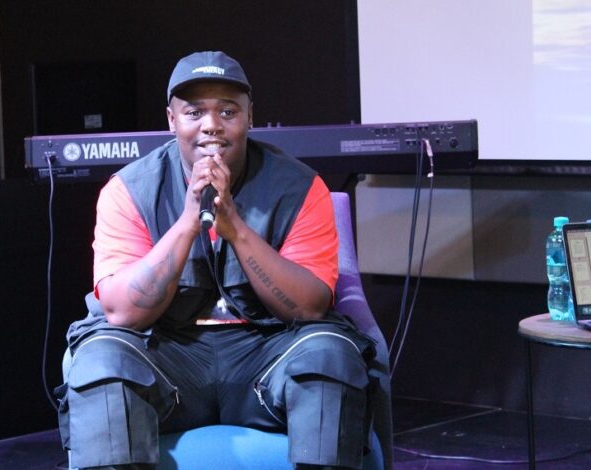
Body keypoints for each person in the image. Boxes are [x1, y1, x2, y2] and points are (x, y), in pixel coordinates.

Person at [58, 51, 376, 469]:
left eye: (228, 111)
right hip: (170, 357)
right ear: (172, 120)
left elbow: (310, 307)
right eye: (195, 113)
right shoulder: (129, 191)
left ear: (249, 117)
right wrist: (188, 223)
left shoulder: (300, 187)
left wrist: (236, 229)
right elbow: (122, 312)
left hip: (266, 354)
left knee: (330, 353)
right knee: (101, 357)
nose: (211, 125)